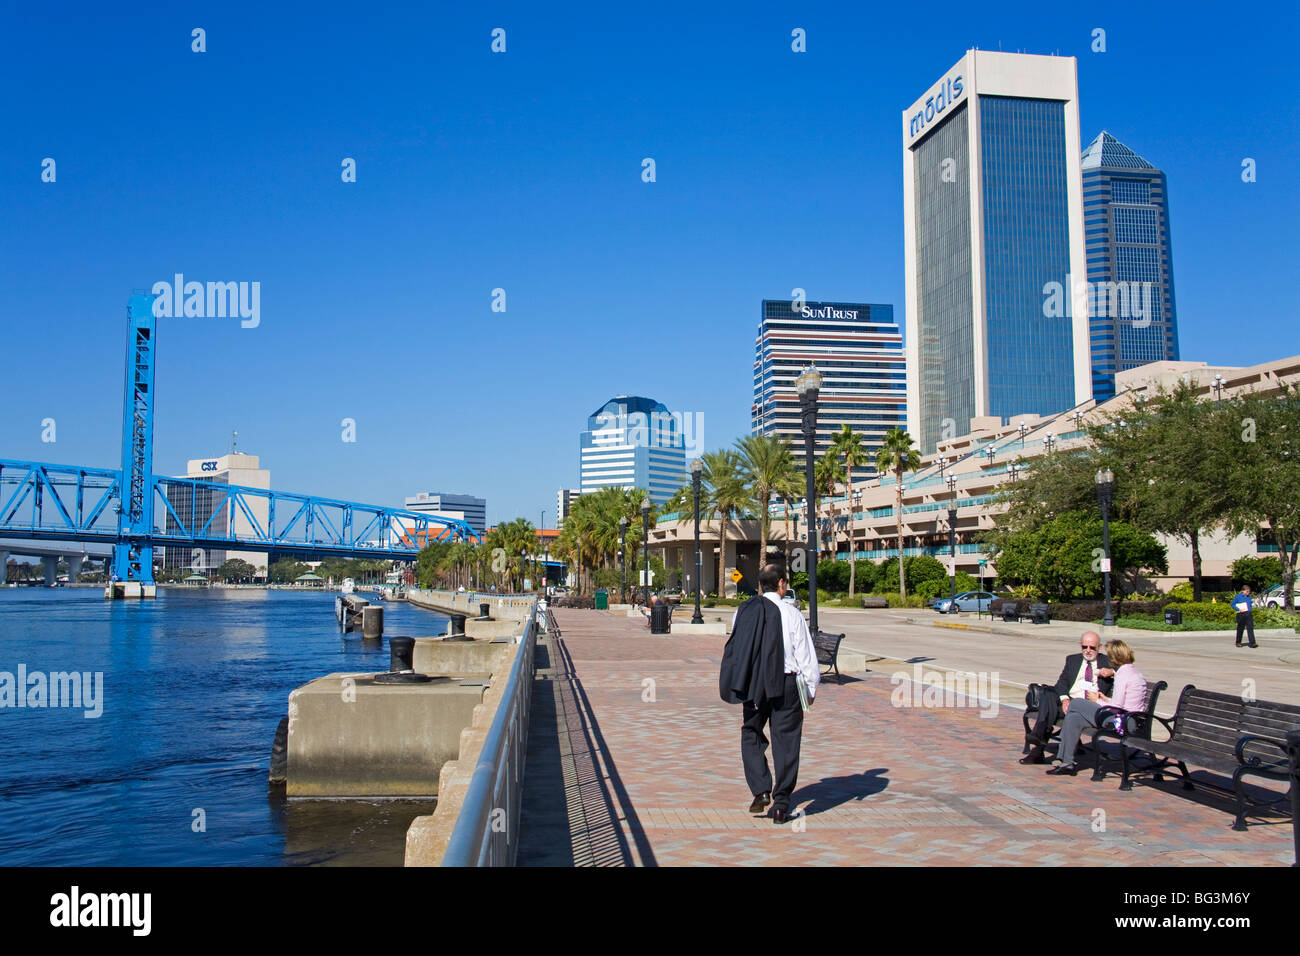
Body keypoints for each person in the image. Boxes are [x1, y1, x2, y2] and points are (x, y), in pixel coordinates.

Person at [718, 564, 820, 824]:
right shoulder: (791, 613)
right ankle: (781, 803)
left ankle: (761, 789)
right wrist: (810, 687)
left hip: (754, 685)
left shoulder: (744, 611)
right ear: (782, 584)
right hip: (786, 685)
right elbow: (804, 654)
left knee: (750, 732)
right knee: (786, 740)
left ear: (761, 585)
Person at [1046, 639, 1147, 775]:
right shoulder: (1133, 671)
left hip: (1121, 722)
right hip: (1130, 719)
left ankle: (1064, 753)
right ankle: (1067, 763)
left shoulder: (1123, 674)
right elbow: (1123, 702)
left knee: (1076, 703)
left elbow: (1117, 706)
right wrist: (1106, 699)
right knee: (1074, 718)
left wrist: (1097, 700)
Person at [1020, 631, 1114, 765]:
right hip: (1069, 702)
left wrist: (1112, 671)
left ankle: (1038, 744)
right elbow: (1061, 683)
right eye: (1084, 647)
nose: (1088, 651)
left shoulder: (1107, 661)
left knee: (1049, 708)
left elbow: (1127, 669)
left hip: (1087, 707)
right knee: (1048, 695)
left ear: (1099, 647)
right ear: (1080, 645)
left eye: (1092, 647)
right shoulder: (1073, 660)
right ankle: (1039, 738)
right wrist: (1065, 700)